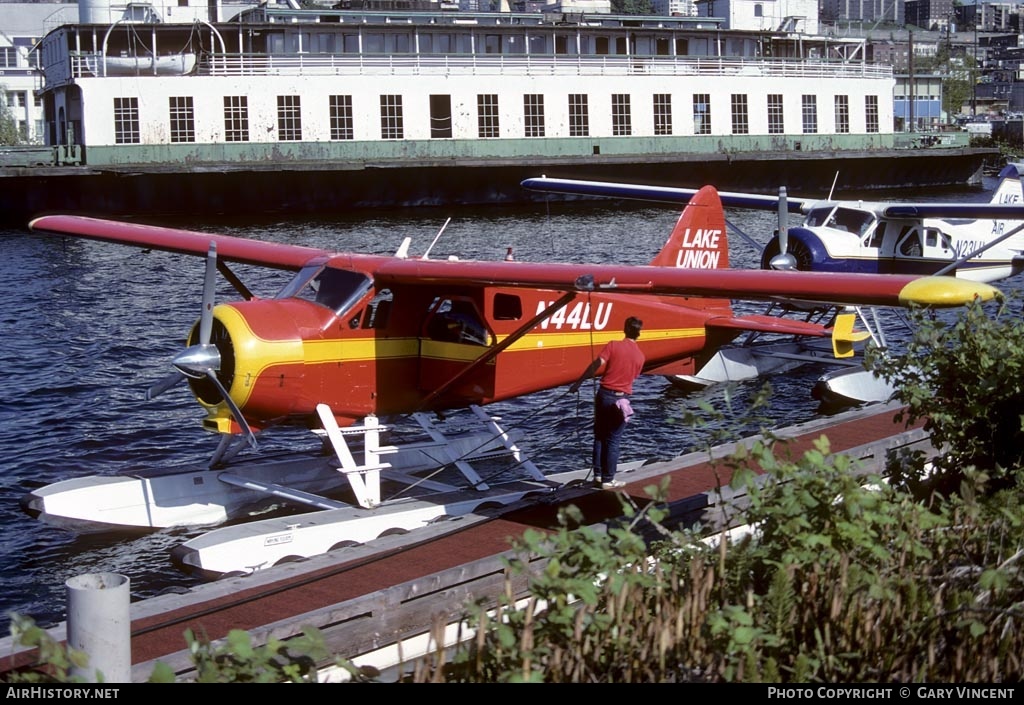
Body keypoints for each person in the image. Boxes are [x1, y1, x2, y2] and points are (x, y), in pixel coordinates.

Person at [569, 316, 645, 490]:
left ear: (625, 329)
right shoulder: (640, 356)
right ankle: (608, 480)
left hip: (603, 395)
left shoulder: (613, 345)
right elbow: (633, 377)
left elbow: (597, 364)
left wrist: (578, 383)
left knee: (600, 435)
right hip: (621, 399)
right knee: (613, 440)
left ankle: (597, 475)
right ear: (639, 333)